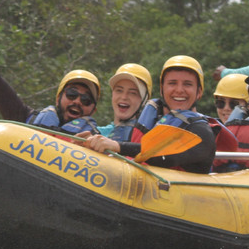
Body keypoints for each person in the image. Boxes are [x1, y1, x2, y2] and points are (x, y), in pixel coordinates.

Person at [0, 0, 99, 135]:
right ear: (58, 98)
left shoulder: (98, 143)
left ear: (93, 110)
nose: (77, 101)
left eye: (86, 100)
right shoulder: (24, 117)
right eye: (72, 94)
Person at [84, 55, 216, 174]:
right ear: (162, 89)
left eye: (187, 84)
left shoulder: (202, 131)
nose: (179, 90)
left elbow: (166, 156)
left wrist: (117, 146)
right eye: (172, 83)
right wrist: (90, 145)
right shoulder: (151, 124)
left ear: (199, 92)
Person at [98, 63, 153, 142]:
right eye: (119, 90)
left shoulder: (149, 139)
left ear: (144, 100)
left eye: (133, 93)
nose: (124, 97)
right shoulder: (96, 134)